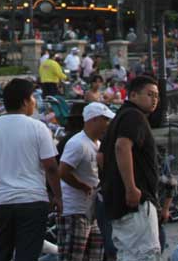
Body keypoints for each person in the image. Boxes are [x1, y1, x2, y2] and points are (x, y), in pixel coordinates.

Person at [0, 77, 62, 261]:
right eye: (33, 97)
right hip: (33, 201)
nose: (35, 102)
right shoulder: (39, 128)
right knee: (27, 254)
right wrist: (58, 196)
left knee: (0, 252)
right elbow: (51, 168)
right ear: (25, 101)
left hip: (2, 202)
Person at [100, 75, 162, 261]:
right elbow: (122, 146)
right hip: (136, 202)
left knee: (128, 254)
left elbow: (101, 156)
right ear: (133, 95)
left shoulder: (120, 117)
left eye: (157, 96)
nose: (154, 100)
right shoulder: (134, 116)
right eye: (150, 94)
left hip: (119, 202)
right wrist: (130, 188)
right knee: (144, 254)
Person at [59, 102, 115, 261]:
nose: (107, 124)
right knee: (74, 256)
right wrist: (83, 186)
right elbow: (62, 171)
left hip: (92, 210)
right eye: (105, 120)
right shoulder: (78, 143)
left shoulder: (98, 144)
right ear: (94, 120)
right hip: (76, 210)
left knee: (95, 256)